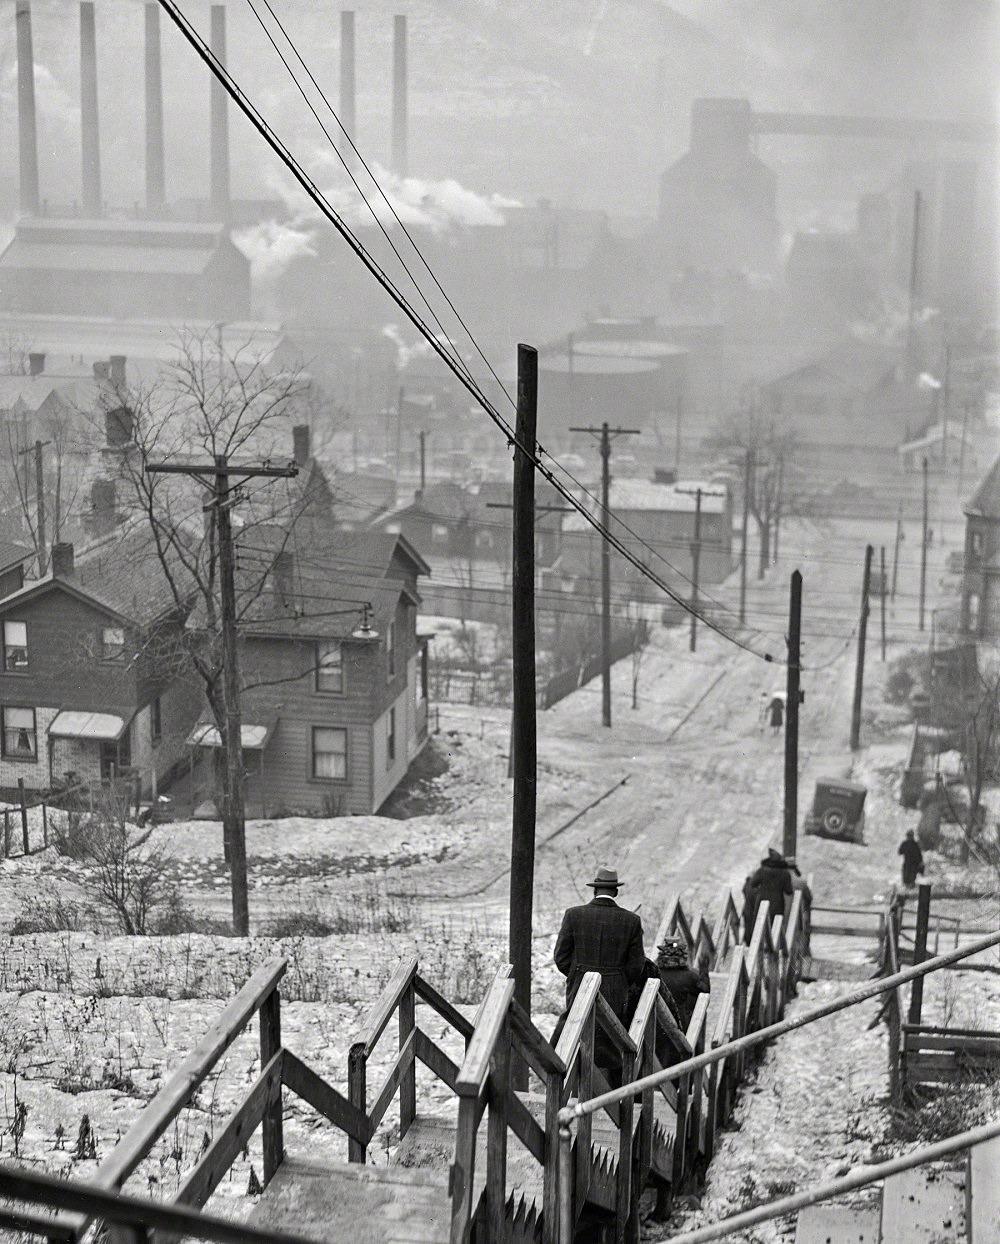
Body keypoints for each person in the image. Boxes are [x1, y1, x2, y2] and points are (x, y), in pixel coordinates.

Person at [553, 866, 646, 1081]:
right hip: (615, 989)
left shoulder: (574, 915)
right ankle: (606, 1093)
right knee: (609, 1038)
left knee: (575, 1030)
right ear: (616, 892)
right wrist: (620, 981)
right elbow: (636, 966)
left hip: (579, 984)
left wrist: (577, 974)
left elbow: (561, 957)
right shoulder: (631, 921)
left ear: (594, 890)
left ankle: (569, 1085)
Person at [654, 936, 711, 1033]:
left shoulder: (654, 973)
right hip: (680, 1027)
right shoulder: (690, 977)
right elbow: (705, 991)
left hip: (656, 1026)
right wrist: (704, 971)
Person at [742, 848, 794, 943]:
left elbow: (753, 884)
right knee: (776, 927)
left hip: (762, 901)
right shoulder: (785, 874)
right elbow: (789, 891)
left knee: (759, 925)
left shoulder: (762, 871)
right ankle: (773, 950)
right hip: (777, 903)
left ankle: (757, 947)